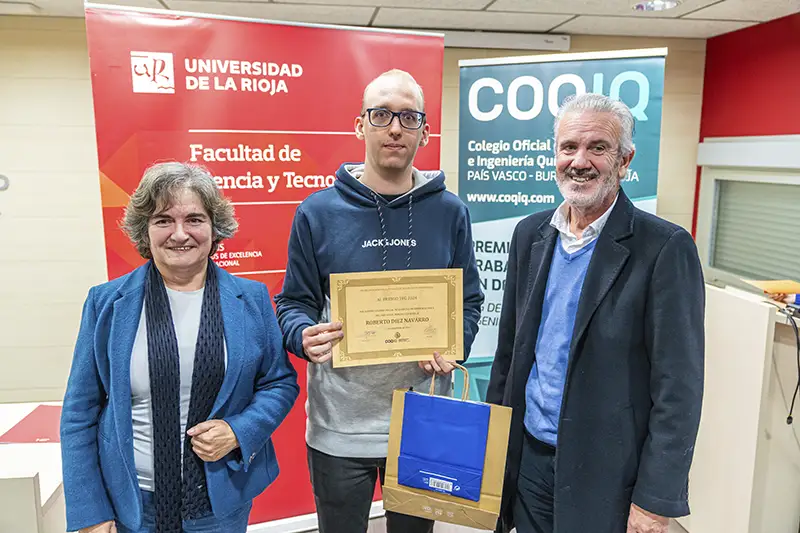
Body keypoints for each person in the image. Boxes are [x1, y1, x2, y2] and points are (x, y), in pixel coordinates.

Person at [274, 69, 484, 533]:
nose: (394, 127)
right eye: (382, 114)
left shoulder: (451, 212)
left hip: (421, 421)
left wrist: (454, 343)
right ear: (360, 125)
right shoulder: (318, 212)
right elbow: (292, 303)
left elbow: (469, 301)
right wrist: (302, 336)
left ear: (424, 131)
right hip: (339, 428)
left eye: (409, 117)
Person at [487, 93, 705, 533]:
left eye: (597, 148)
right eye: (568, 147)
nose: (579, 161)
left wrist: (654, 499)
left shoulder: (663, 248)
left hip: (608, 474)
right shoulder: (530, 234)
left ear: (624, 160)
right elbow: (509, 352)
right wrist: (492, 455)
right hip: (528, 459)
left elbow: (678, 389)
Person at [60, 162, 299, 533]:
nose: (179, 234)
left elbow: (279, 382)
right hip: (129, 501)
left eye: (194, 219)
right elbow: (79, 412)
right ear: (145, 230)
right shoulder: (107, 303)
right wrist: (90, 510)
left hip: (220, 501)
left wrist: (239, 430)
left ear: (214, 227)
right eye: (163, 220)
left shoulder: (250, 299)